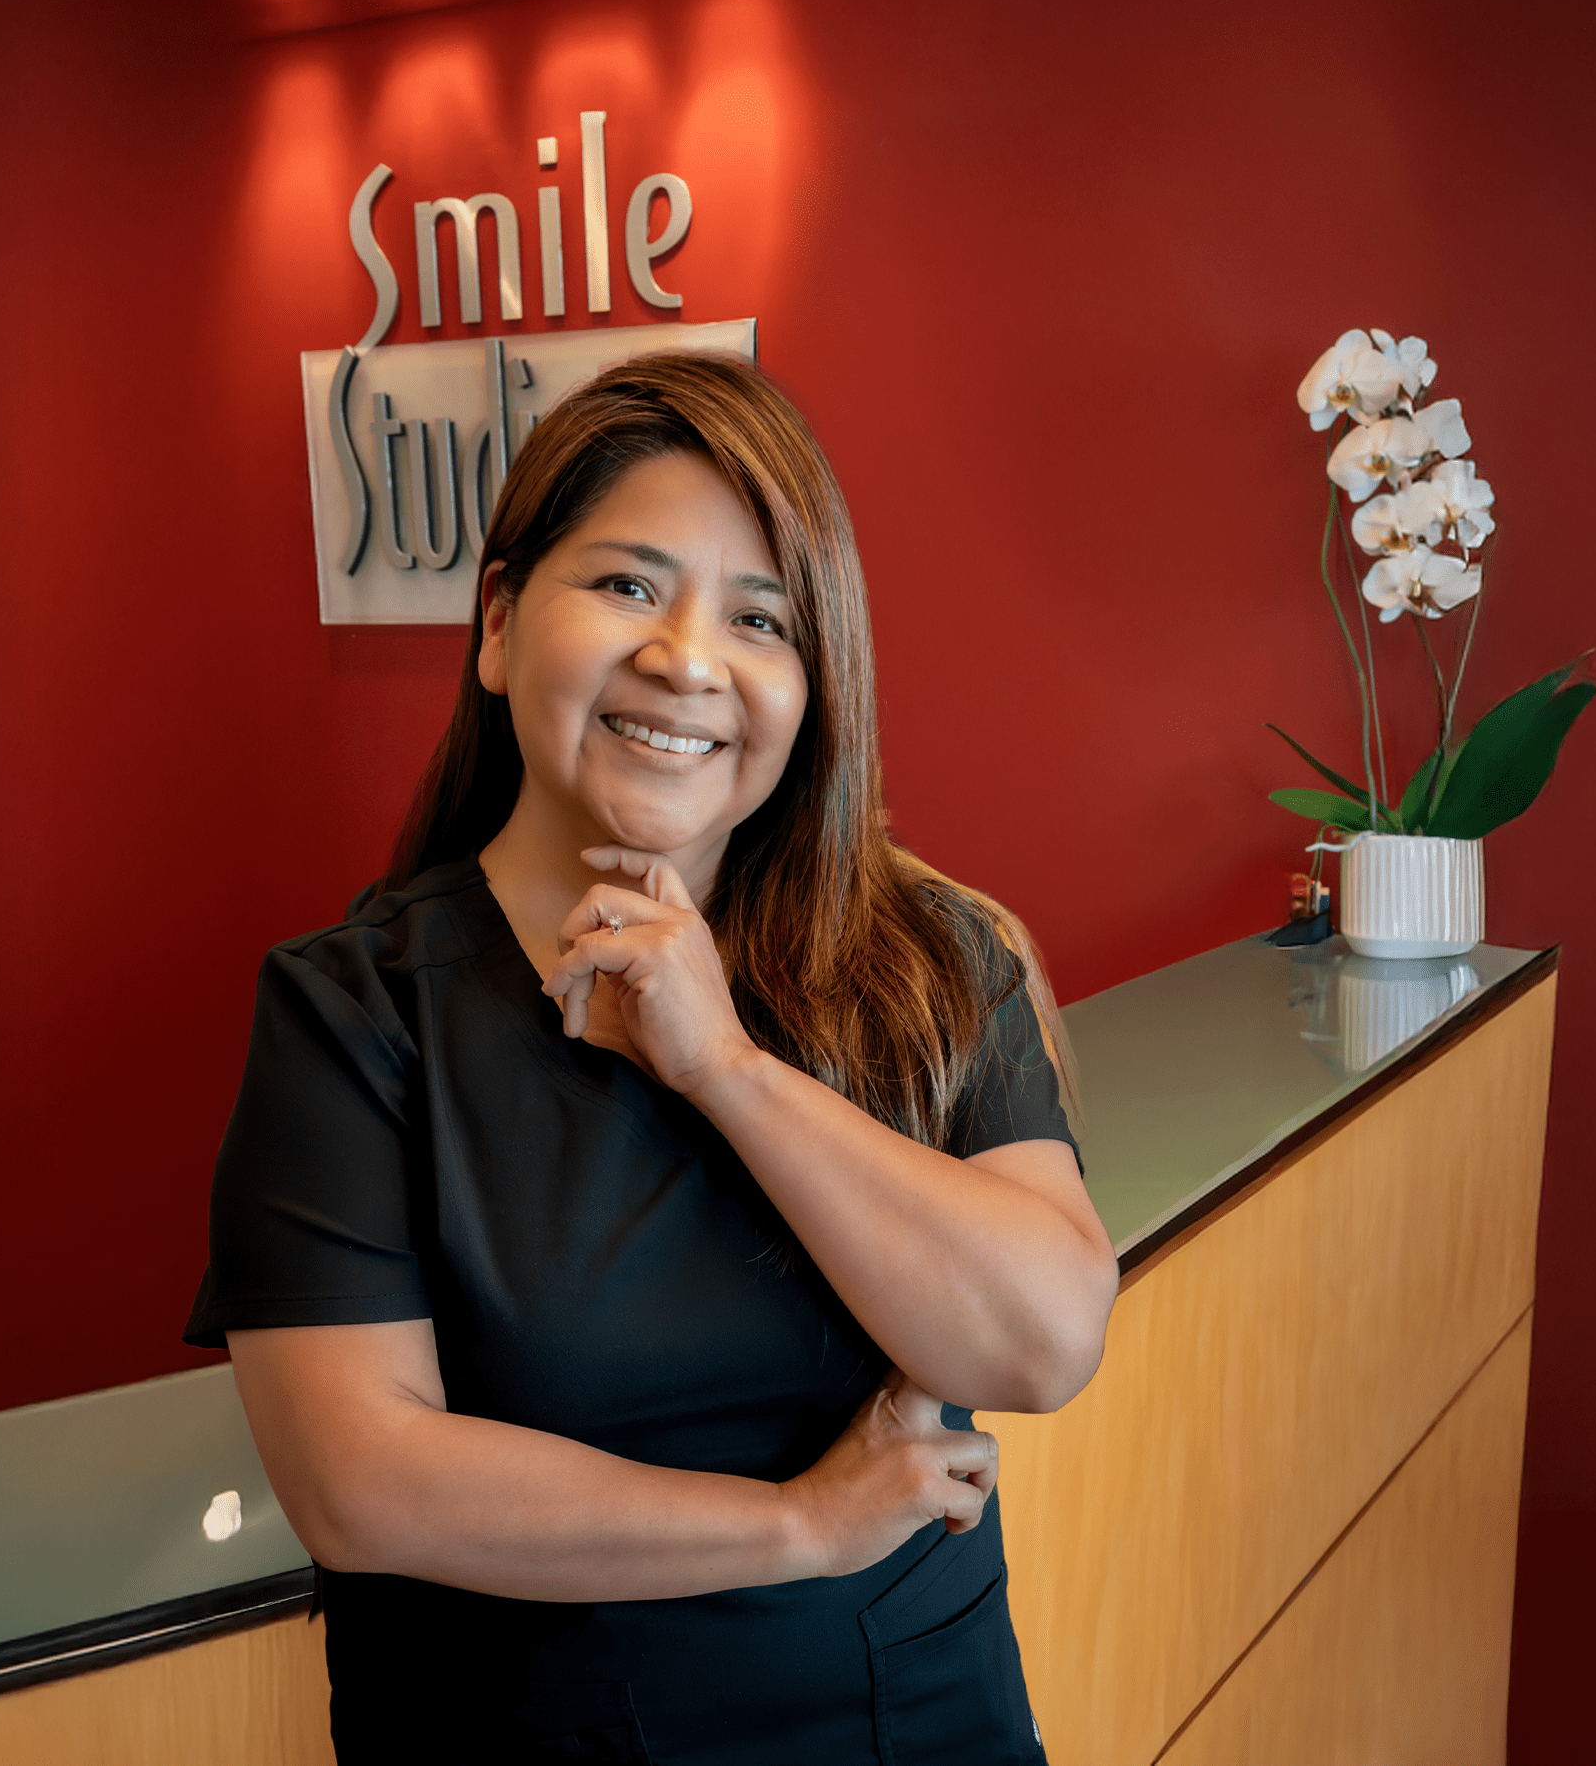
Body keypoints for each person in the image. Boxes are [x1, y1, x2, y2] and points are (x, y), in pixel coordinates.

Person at [185, 352, 1118, 1763]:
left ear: (814, 682)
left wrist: (725, 1066)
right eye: (627, 584)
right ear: (498, 625)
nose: (687, 658)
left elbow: (1042, 1342)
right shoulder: (353, 1011)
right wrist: (799, 1526)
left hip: (916, 1723)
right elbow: (360, 1483)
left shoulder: (926, 958)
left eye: (760, 617)